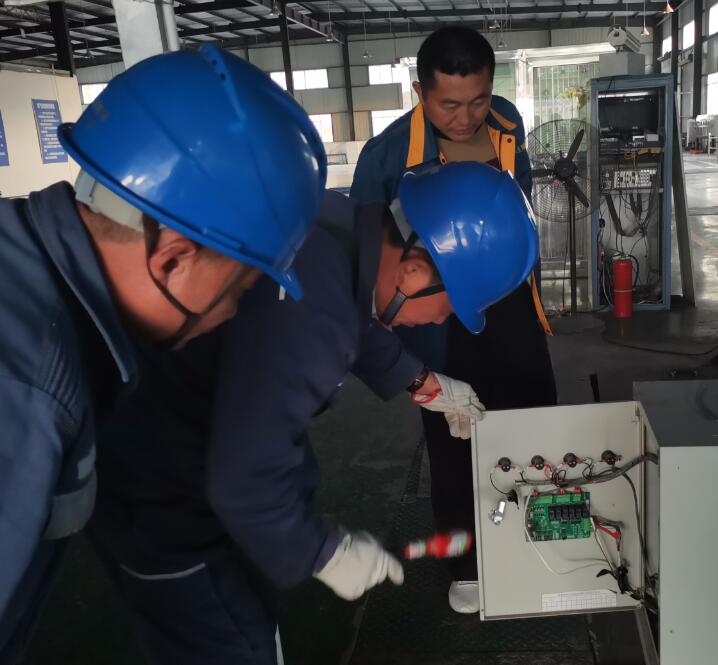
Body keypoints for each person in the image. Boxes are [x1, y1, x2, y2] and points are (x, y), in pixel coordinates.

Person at [89, 162, 537, 665]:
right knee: (230, 640)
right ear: (413, 271)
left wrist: (424, 383)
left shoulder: (335, 222)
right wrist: (323, 552)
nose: (441, 319)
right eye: (451, 306)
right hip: (171, 498)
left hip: (166, 437)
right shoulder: (315, 314)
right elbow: (244, 482)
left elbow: (354, 310)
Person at [0, 44, 326, 664]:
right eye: (241, 289)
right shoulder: (27, 393)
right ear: (173, 257)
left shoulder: (25, 261)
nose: (233, 315)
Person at [350, 25, 558, 613]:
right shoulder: (386, 156)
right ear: (420, 91)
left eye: (478, 100)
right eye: (448, 104)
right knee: (452, 432)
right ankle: (467, 564)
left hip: (508, 296)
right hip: (436, 309)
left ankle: (538, 540)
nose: (465, 118)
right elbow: (367, 261)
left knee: (533, 412)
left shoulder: (507, 122)